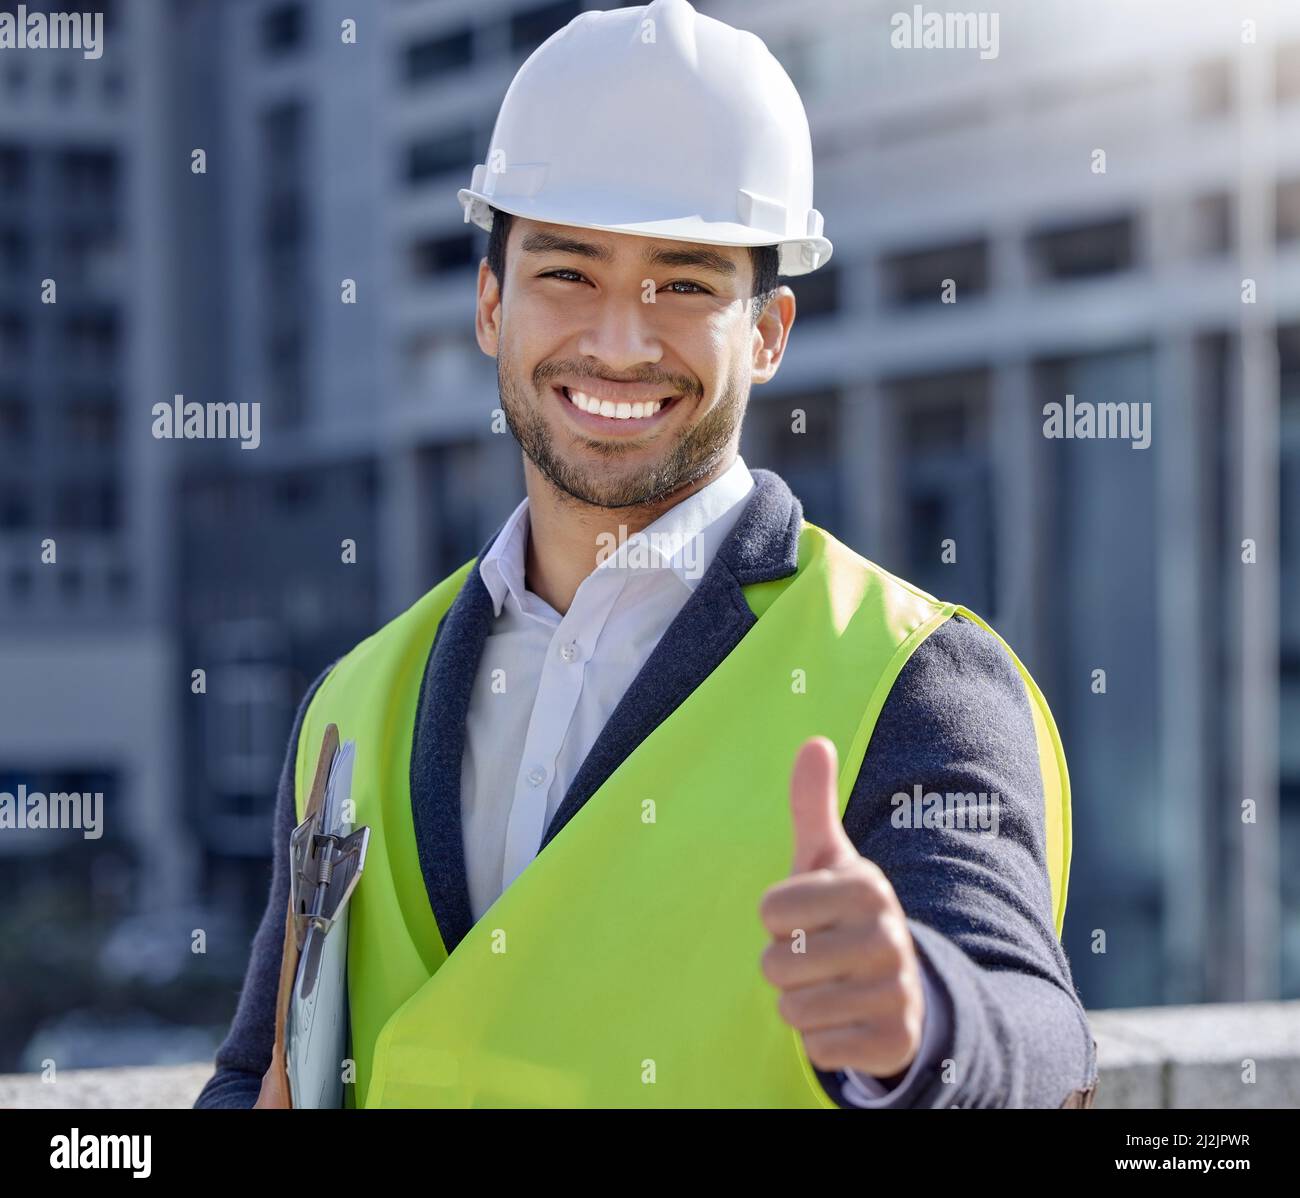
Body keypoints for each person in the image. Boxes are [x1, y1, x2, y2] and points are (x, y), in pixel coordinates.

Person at [195, 0, 1097, 1109]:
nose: (619, 341)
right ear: (490, 305)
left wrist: (921, 1020)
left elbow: (1037, 1025)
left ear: (766, 332)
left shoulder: (906, 677)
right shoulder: (357, 698)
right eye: (566, 274)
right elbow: (259, 1069)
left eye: (684, 283)